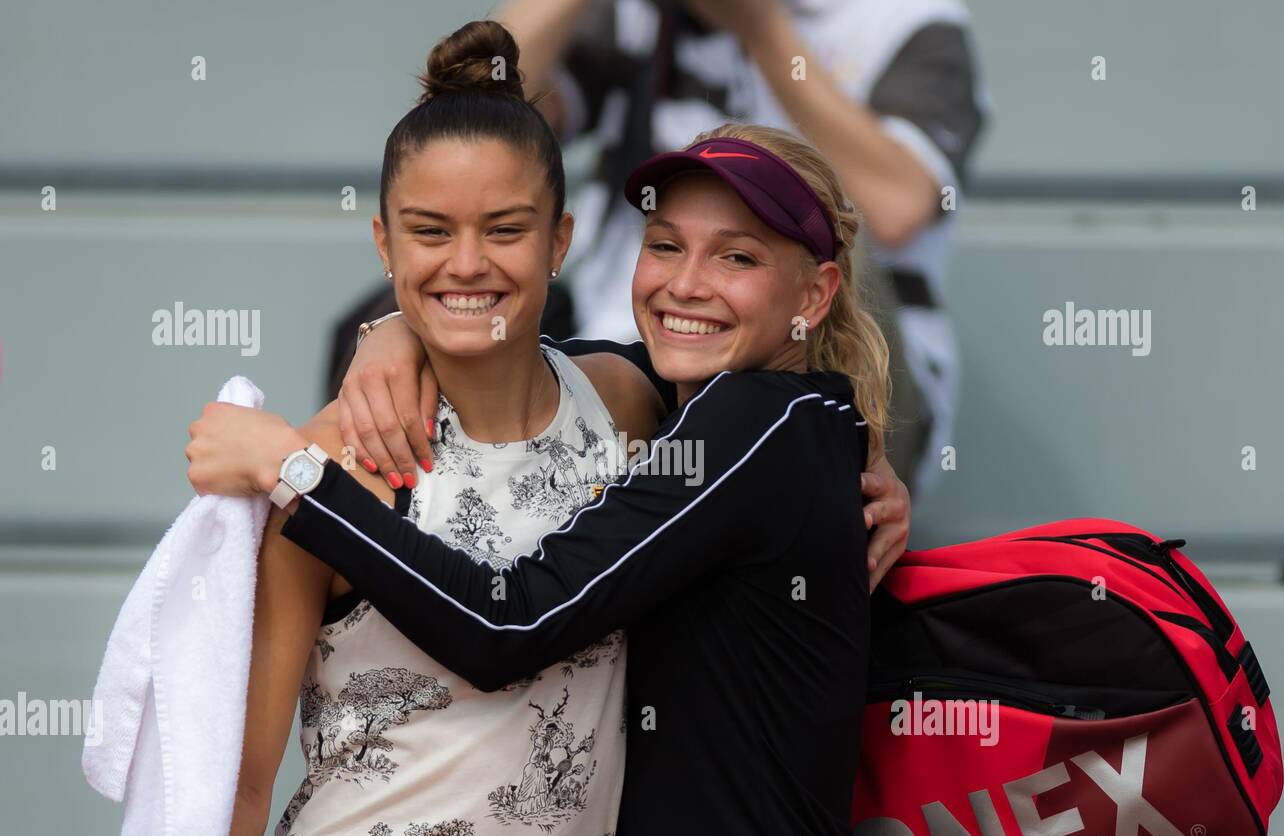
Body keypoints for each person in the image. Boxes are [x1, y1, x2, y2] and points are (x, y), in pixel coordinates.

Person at [189, 119, 893, 836]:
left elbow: (509, 624)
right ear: (386, 244)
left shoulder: (746, 423)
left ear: (815, 293)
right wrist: (395, 330)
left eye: (737, 257)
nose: (687, 284)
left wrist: (295, 475)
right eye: (665, 245)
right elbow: (234, 788)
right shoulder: (677, 410)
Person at [330, 0, 987, 501]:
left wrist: (762, 31)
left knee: (824, 262)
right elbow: (465, 115)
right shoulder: (639, 19)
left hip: (820, 355)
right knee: (385, 320)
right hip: (623, 349)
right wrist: (400, 330)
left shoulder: (900, 21)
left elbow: (899, 205)